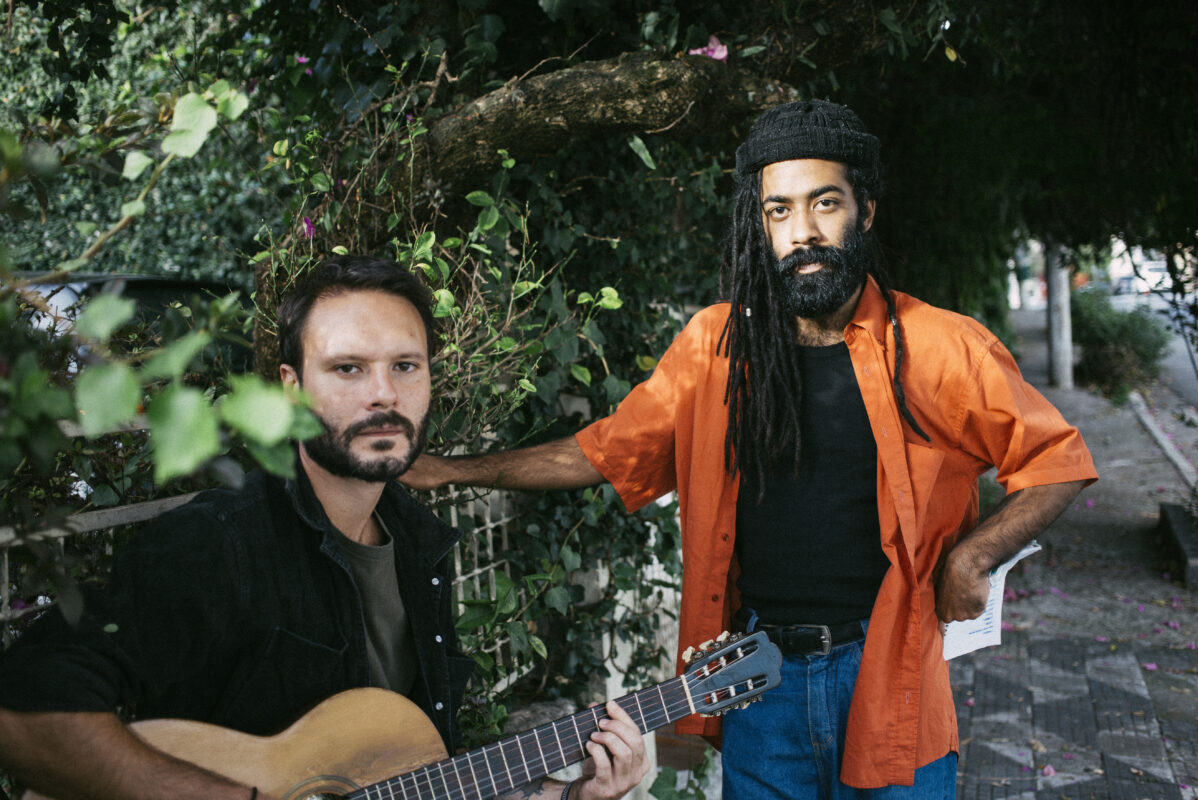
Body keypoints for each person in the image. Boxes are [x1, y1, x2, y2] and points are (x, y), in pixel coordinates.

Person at [399, 100, 1099, 797]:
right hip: (755, 679)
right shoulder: (716, 348)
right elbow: (605, 452)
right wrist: (453, 471)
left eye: (825, 203)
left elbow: (1056, 464)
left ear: (867, 210)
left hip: (891, 672)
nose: (803, 232)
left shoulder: (942, 347)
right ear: (758, 225)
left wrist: (973, 557)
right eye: (779, 211)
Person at [0, 257, 649, 800]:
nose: (383, 394)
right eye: (347, 368)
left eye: (405, 365)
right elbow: (26, 715)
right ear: (290, 386)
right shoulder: (225, 544)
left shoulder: (420, 549)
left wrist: (567, 795)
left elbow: (418, 778)